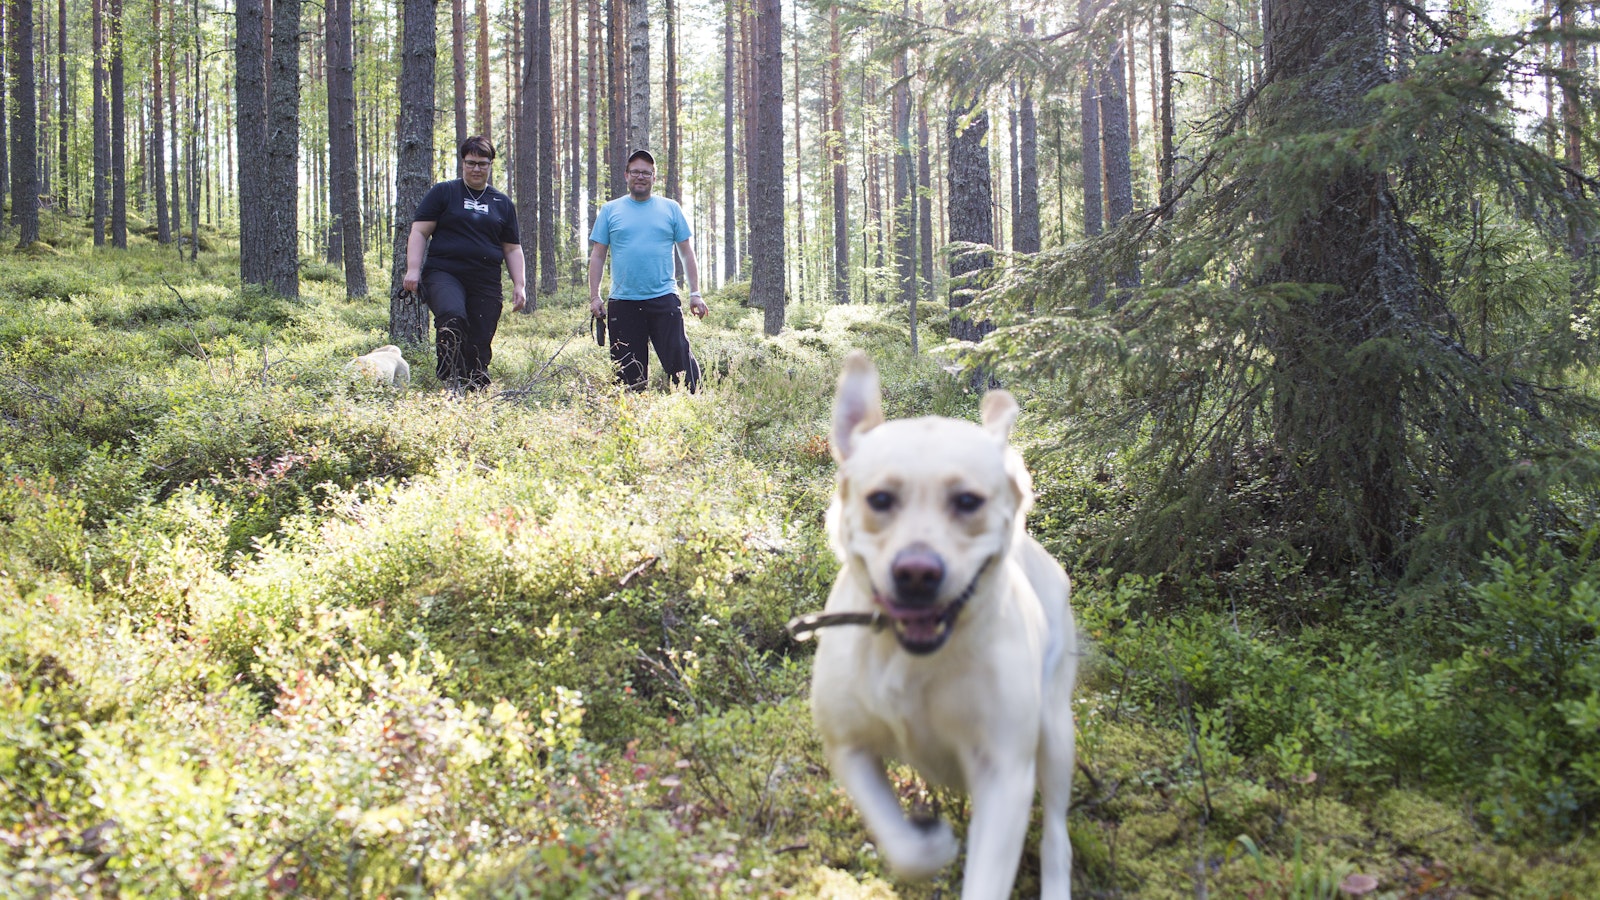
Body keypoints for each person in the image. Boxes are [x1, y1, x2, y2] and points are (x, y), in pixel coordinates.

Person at [403, 136, 527, 392]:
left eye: (482, 164)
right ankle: (449, 377)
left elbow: (512, 248)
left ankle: (474, 386)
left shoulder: (501, 203)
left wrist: (520, 285)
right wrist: (413, 269)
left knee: (480, 337)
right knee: (452, 316)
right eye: (471, 163)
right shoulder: (444, 192)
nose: (476, 169)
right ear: (463, 163)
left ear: (490, 165)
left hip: (485, 279)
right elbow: (419, 232)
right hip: (444, 272)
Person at [588, 149, 706, 392]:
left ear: (654, 177)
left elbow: (686, 252)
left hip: (663, 299)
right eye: (635, 172)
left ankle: (697, 407)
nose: (640, 176)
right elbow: (598, 255)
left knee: (681, 365)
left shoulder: (670, 208)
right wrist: (595, 296)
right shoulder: (610, 210)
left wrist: (695, 293)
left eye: (646, 172)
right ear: (626, 176)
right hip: (623, 302)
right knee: (627, 375)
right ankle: (632, 420)